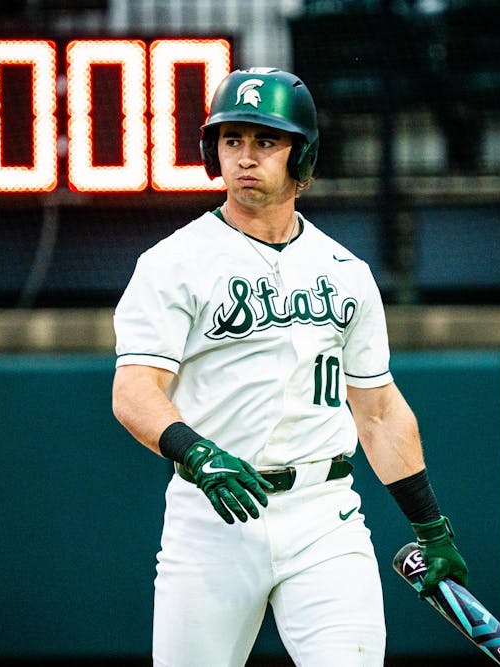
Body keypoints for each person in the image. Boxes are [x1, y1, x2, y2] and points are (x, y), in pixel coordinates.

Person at [111, 67, 468, 666]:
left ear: (301, 155)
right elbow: (133, 391)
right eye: (232, 140)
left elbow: (378, 413)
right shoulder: (172, 263)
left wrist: (430, 526)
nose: (245, 158)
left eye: (265, 141)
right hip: (213, 517)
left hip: (323, 516)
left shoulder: (345, 271)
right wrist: (195, 451)